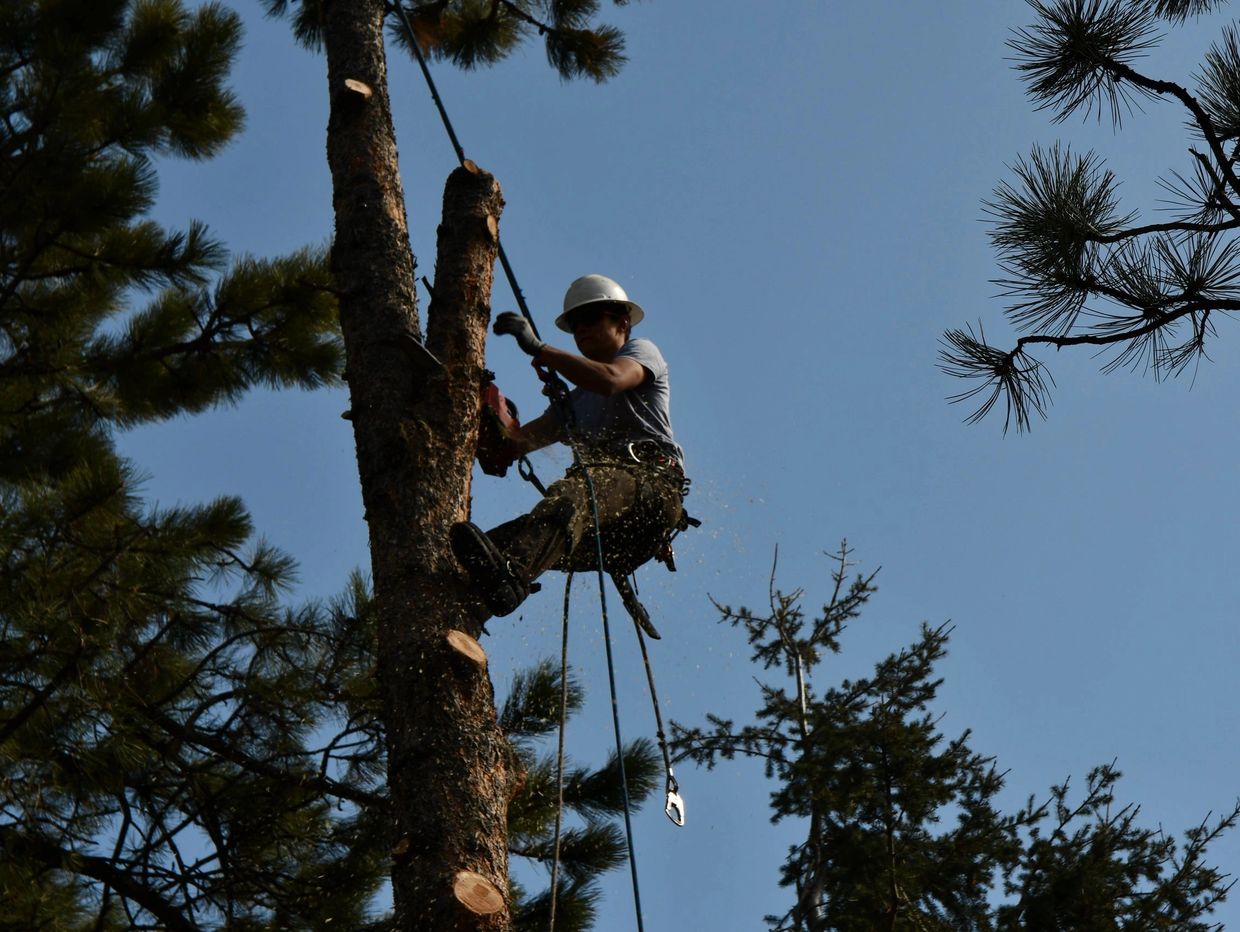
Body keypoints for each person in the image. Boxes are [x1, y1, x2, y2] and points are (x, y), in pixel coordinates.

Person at [450, 273, 688, 621]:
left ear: (623, 322)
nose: (581, 329)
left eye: (590, 319)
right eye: (575, 324)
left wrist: (540, 349)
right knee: (494, 549)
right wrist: (481, 417)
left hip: (650, 494)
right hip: (602, 534)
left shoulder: (641, 352)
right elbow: (512, 446)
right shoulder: (572, 404)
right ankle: (459, 613)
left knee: (573, 495)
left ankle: (511, 579)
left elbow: (611, 380)